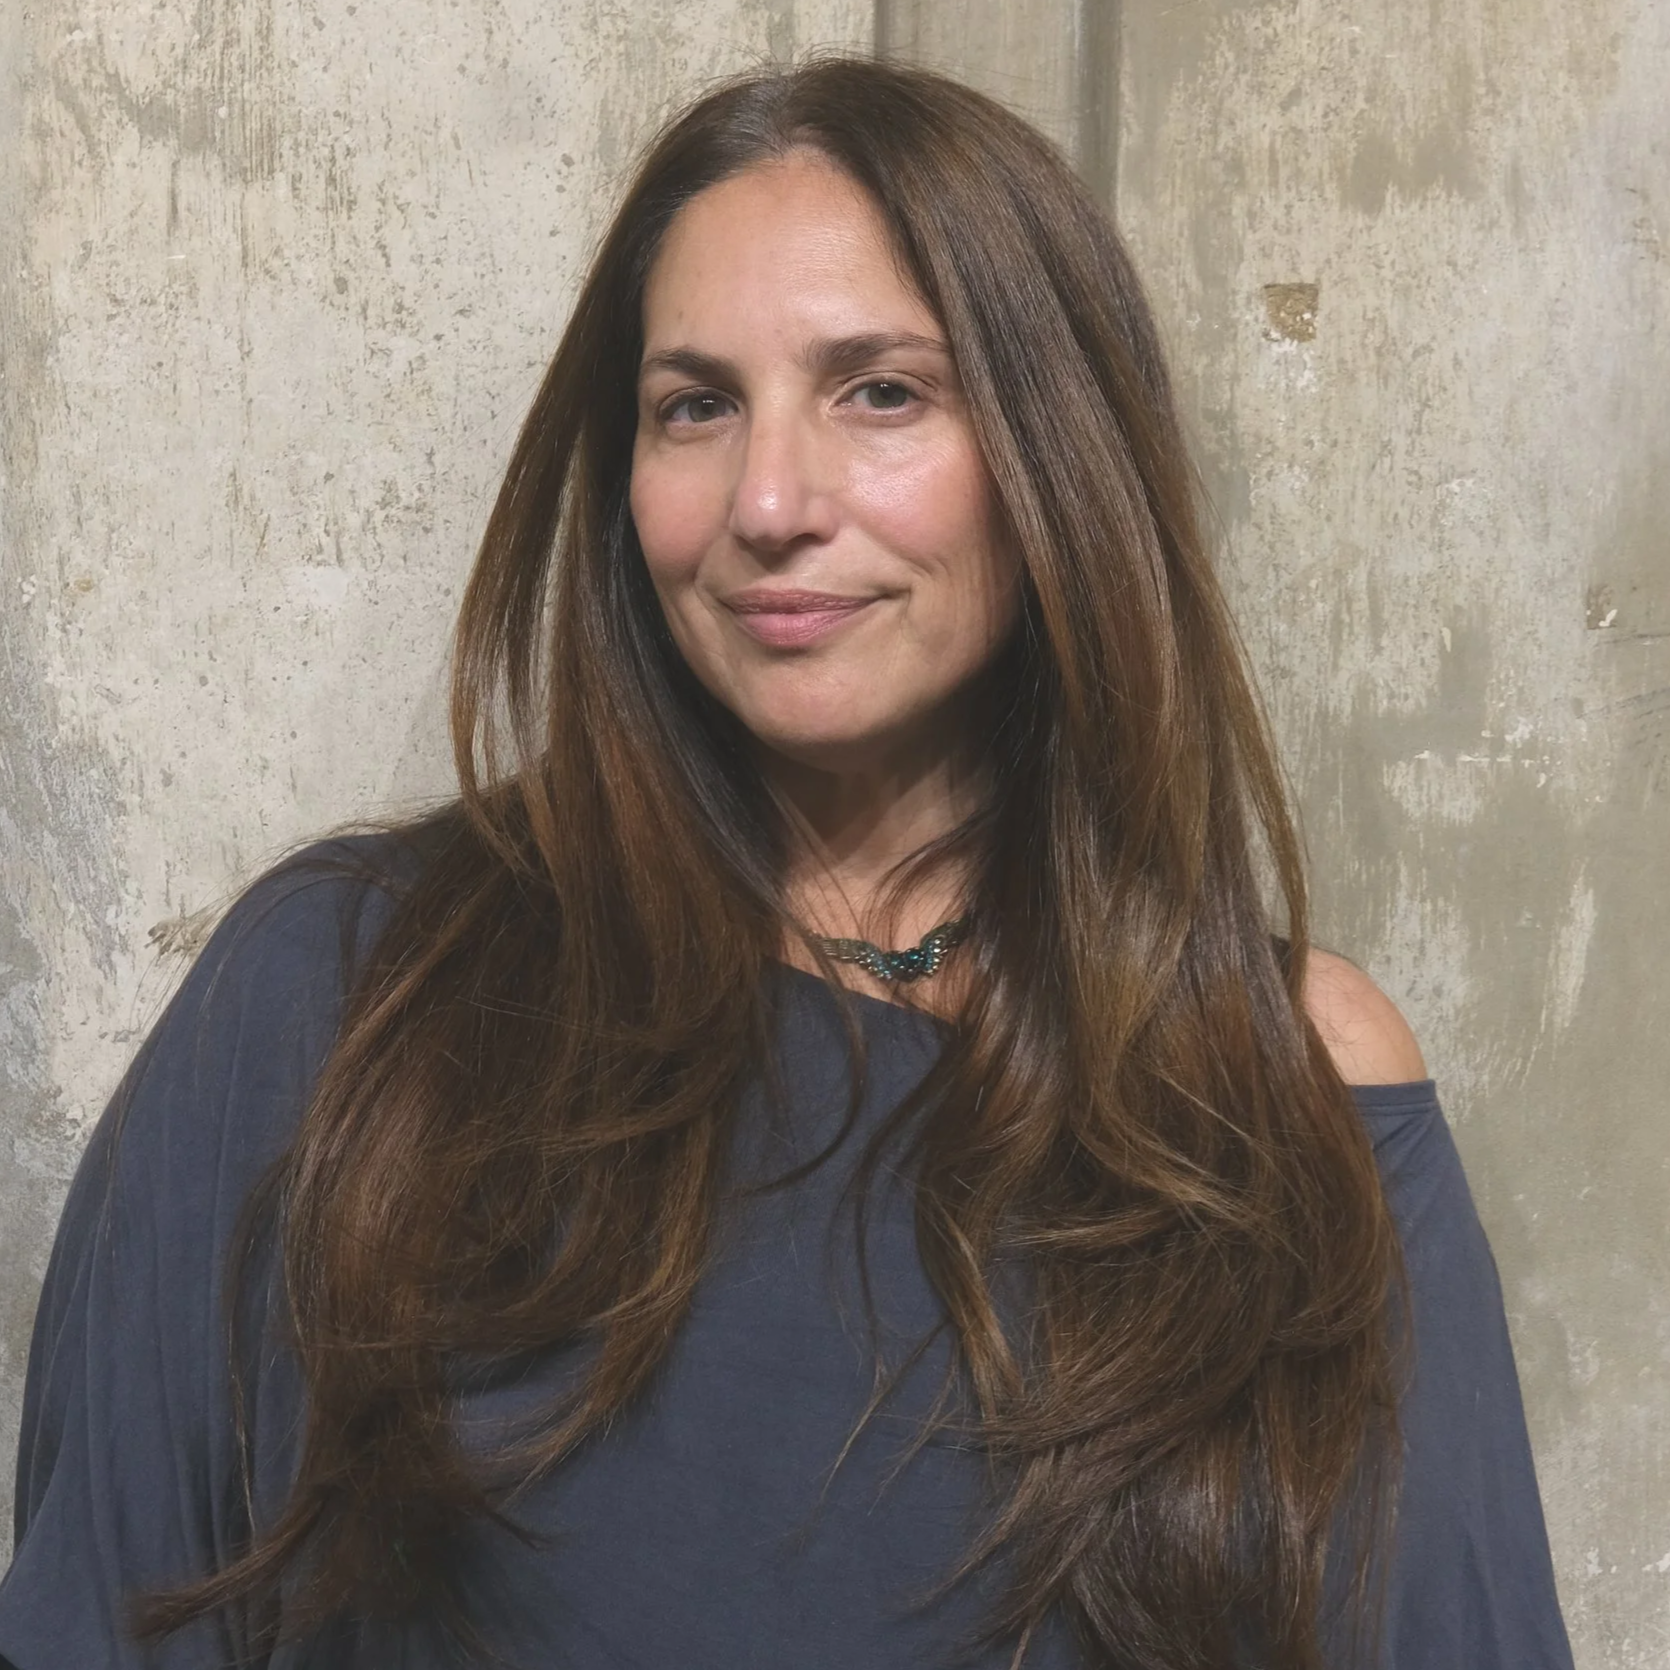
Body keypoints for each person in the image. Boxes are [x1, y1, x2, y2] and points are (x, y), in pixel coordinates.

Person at [0, 55, 1573, 1670]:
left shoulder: (1284, 1084)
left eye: (878, 390)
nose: (765, 499)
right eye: (695, 404)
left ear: (1054, 456)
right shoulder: (348, 995)